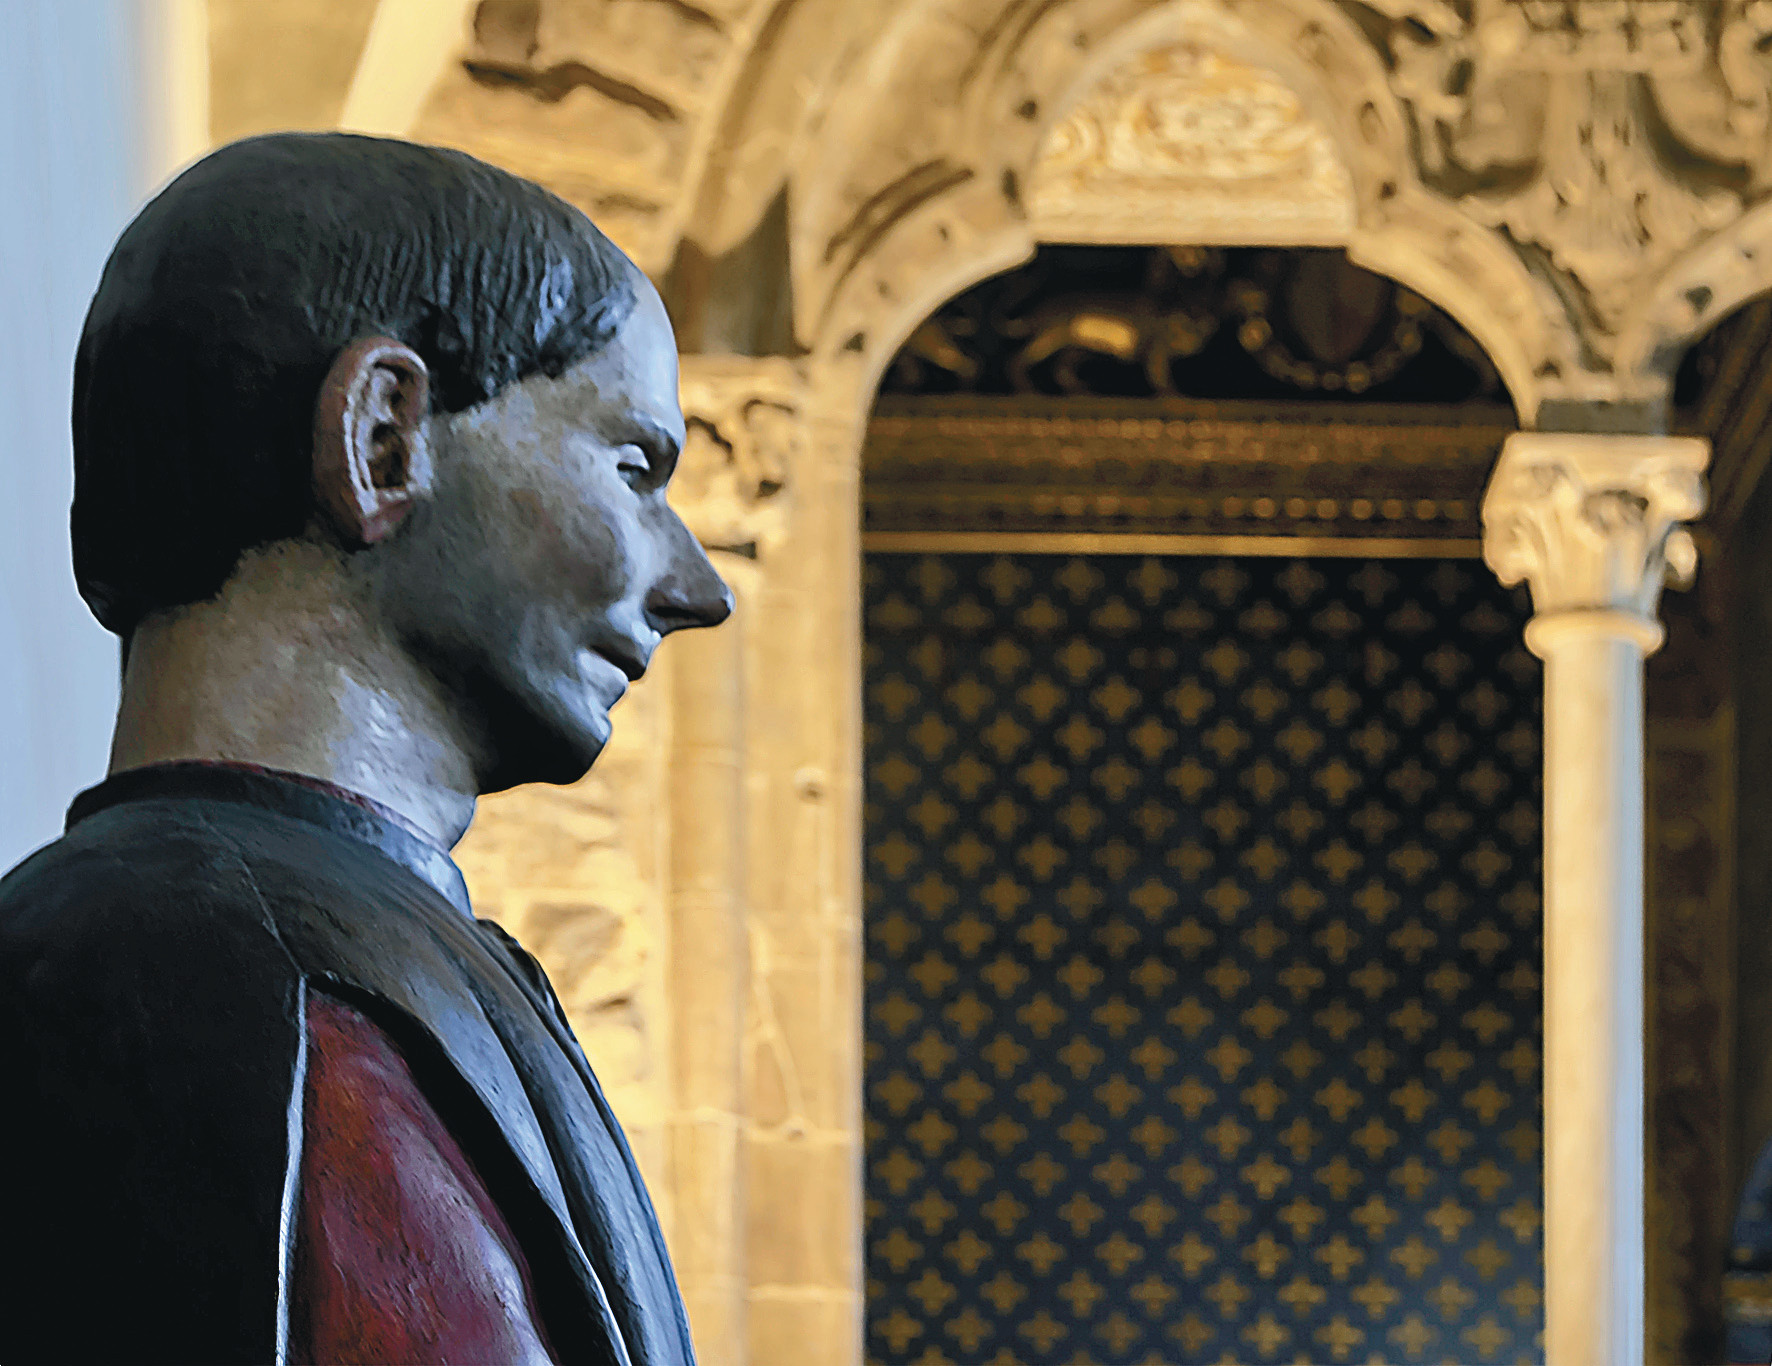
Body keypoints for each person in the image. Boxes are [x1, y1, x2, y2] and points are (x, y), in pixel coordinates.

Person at [0, 132, 732, 1365]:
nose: (696, 588)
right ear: (386, 439)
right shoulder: (197, 974)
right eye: (632, 467)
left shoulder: (343, 949)